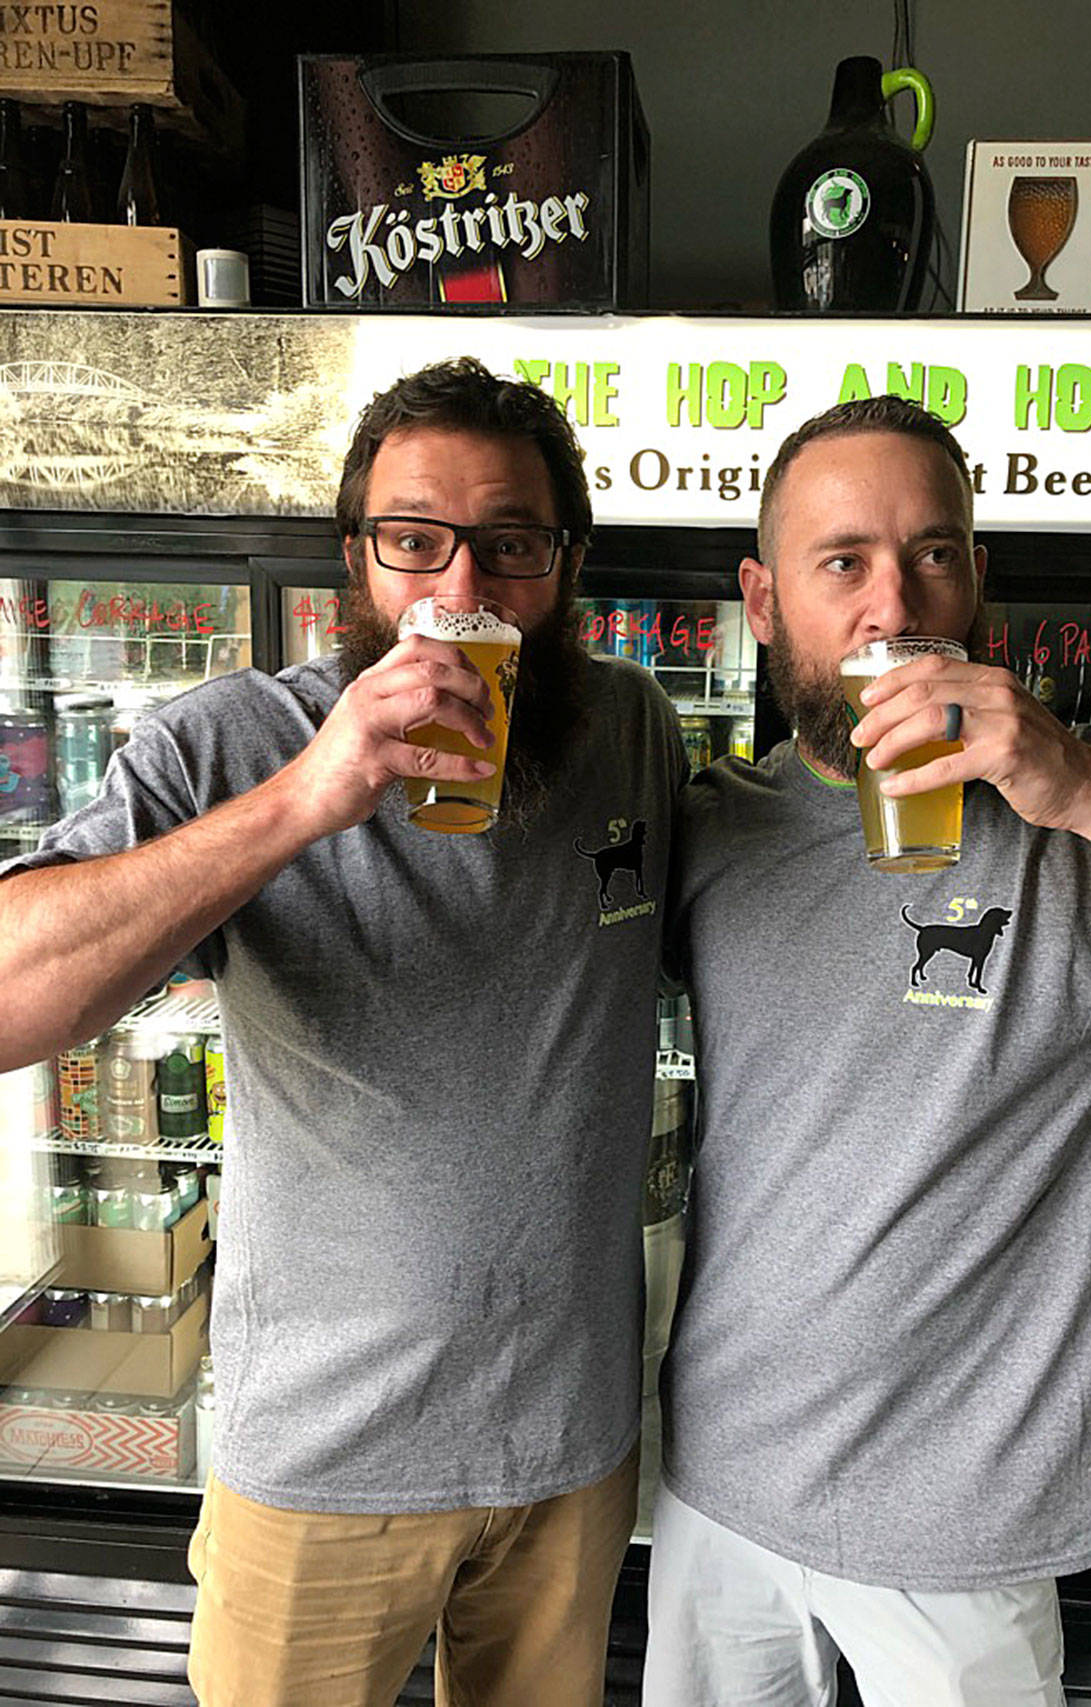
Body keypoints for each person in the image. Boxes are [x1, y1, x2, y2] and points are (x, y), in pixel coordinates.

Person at [0, 358, 687, 1707]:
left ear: (569, 564)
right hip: (321, 1463)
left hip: (572, 1449)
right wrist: (307, 799)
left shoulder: (631, 730)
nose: (463, 592)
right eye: (415, 539)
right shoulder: (230, 746)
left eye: (512, 546)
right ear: (355, 562)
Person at [644, 394, 1091, 1707]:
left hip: (965, 1526)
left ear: (979, 577)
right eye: (845, 563)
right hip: (718, 1483)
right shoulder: (717, 825)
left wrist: (1082, 786)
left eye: (933, 552)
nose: (895, 605)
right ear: (762, 604)